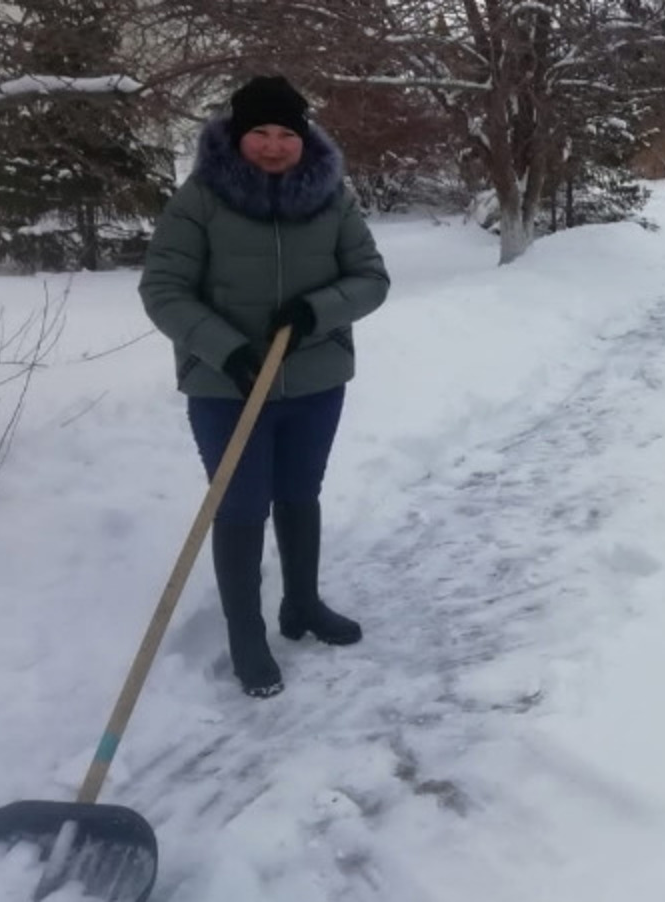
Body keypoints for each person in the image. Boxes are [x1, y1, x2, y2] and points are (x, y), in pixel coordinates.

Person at [139, 75, 390, 697]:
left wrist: (315, 312)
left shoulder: (332, 198)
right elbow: (163, 290)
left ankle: (301, 606)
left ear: (303, 139)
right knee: (241, 505)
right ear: (237, 133)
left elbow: (371, 278)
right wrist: (227, 349)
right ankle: (246, 634)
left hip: (314, 380)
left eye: (286, 134)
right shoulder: (200, 199)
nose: (274, 146)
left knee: (300, 493)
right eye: (260, 133)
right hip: (226, 387)